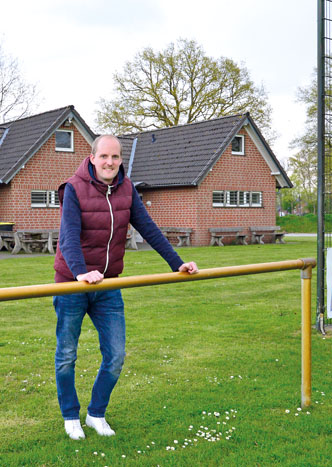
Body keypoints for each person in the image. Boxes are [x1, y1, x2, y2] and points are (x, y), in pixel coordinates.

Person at [53, 134, 198, 440]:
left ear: (121, 160)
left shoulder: (127, 188)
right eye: (104, 156)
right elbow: (68, 237)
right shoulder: (73, 188)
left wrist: (177, 263)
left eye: (115, 157)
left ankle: (95, 413)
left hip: (108, 284)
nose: (110, 162)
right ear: (92, 158)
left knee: (116, 355)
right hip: (72, 283)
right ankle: (70, 416)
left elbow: (148, 228)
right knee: (67, 354)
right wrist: (80, 273)